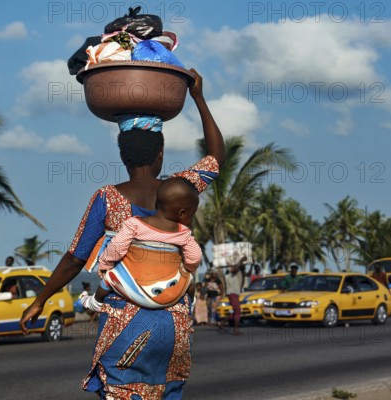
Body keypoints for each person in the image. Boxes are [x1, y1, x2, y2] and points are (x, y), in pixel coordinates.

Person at [19, 69, 224, 399]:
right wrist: (198, 97)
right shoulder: (180, 191)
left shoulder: (107, 198)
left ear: (122, 156)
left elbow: (74, 259)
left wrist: (40, 300)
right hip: (174, 328)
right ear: (160, 154)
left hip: (125, 326)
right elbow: (216, 158)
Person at [80, 177, 201, 312]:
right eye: (192, 213)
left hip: (136, 290)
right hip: (170, 295)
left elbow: (117, 248)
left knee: (109, 278)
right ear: (182, 213)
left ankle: (96, 301)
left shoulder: (134, 224)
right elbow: (195, 257)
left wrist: (105, 264)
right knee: (189, 279)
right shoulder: (183, 233)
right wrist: (188, 268)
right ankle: (191, 303)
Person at [220, 259, 245, 335]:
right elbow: (235, 268)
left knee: (235, 311)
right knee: (237, 310)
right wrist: (241, 260)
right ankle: (235, 330)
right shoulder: (231, 274)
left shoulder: (239, 273)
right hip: (232, 293)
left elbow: (247, 274)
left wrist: (252, 264)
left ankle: (223, 322)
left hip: (234, 293)